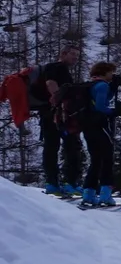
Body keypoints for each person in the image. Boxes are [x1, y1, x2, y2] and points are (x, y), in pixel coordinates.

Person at [35, 46, 80, 196]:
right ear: (63, 54)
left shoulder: (62, 69)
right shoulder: (55, 67)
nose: (75, 58)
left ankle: (58, 183)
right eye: (73, 54)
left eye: (77, 55)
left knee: (58, 146)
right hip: (55, 114)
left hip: (54, 114)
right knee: (63, 146)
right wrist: (58, 102)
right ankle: (61, 183)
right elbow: (50, 83)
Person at [78, 62, 121, 207]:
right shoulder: (102, 85)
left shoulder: (91, 85)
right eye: (111, 72)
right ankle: (105, 194)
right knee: (107, 159)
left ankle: (89, 194)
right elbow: (101, 107)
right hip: (100, 126)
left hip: (87, 126)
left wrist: (113, 89)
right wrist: (115, 111)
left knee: (95, 160)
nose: (112, 74)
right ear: (105, 72)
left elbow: (99, 100)